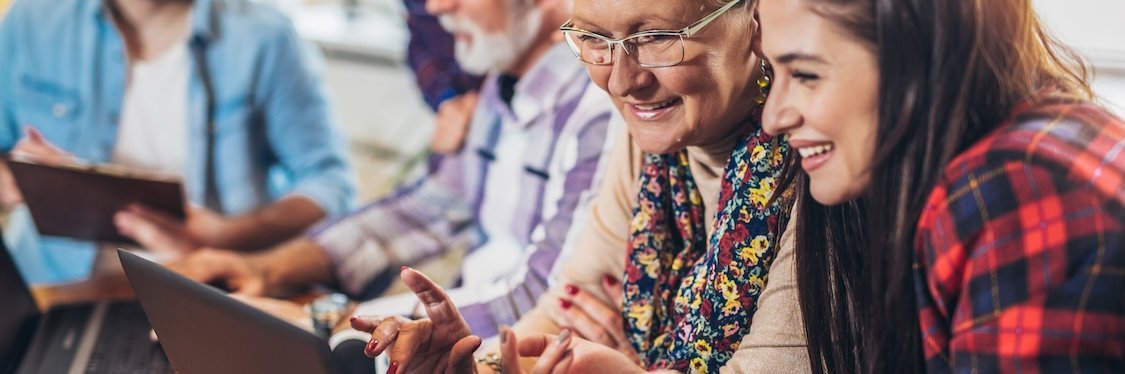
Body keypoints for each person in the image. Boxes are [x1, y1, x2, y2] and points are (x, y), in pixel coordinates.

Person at [350, 0, 810, 372]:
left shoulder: (817, 164)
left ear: (757, 19)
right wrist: (477, 365)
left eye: (656, 37)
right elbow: (571, 307)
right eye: (593, 38)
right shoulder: (652, 139)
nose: (622, 81)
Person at [169, 0, 614, 352]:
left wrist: (334, 325)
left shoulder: (601, 114)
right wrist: (265, 269)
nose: (436, 7)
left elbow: (543, 297)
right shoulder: (498, 89)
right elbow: (423, 211)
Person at [758, 0, 1125, 372]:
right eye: (771, 73)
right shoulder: (1040, 143)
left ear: (917, 50)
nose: (772, 118)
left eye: (805, 74)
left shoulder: (1016, 189)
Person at [0, 0, 355, 284]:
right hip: (55, 289)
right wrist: (11, 183)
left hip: (208, 291)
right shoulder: (30, 21)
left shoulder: (265, 36)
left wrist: (227, 235)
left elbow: (330, 185)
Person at [401, 0, 483, 154]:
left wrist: (490, 93)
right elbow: (418, 41)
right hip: (462, 114)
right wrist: (447, 99)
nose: (435, 7)